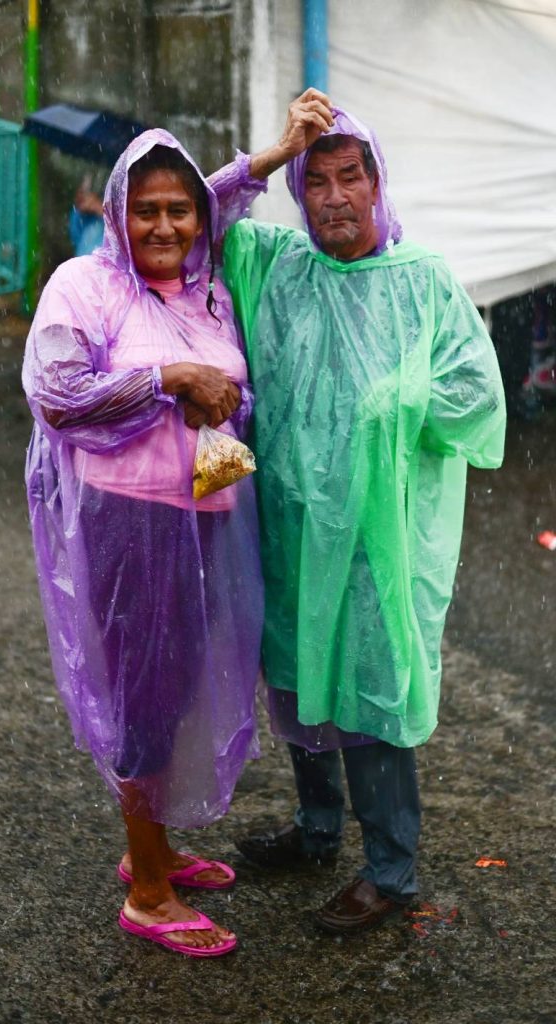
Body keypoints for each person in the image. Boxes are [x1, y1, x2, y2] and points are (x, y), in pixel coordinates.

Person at [22, 92, 335, 957]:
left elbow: (225, 193)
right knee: (145, 696)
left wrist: (275, 154)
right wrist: (170, 380)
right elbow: (56, 396)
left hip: (205, 518)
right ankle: (149, 888)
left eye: (179, 209)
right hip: (132, 520)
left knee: (180, 681)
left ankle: (152, 844)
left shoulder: (203, 284)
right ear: (117, 213)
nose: (164, 225)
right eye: (146, 209)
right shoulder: (86, 285)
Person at [223, 106, 507, 935]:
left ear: (380, 187)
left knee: (372, 695)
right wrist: (270, 154)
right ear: (299, 195)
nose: (335, 196)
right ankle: (316, 831)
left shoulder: (422, 279)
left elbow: (477, 397)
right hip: (295, 528)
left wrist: (402, 401)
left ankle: (390, 870)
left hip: (378, 539)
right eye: (318, 179)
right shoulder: (278, 267)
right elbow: (193, 221)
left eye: (353, 176)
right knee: (302, 676)